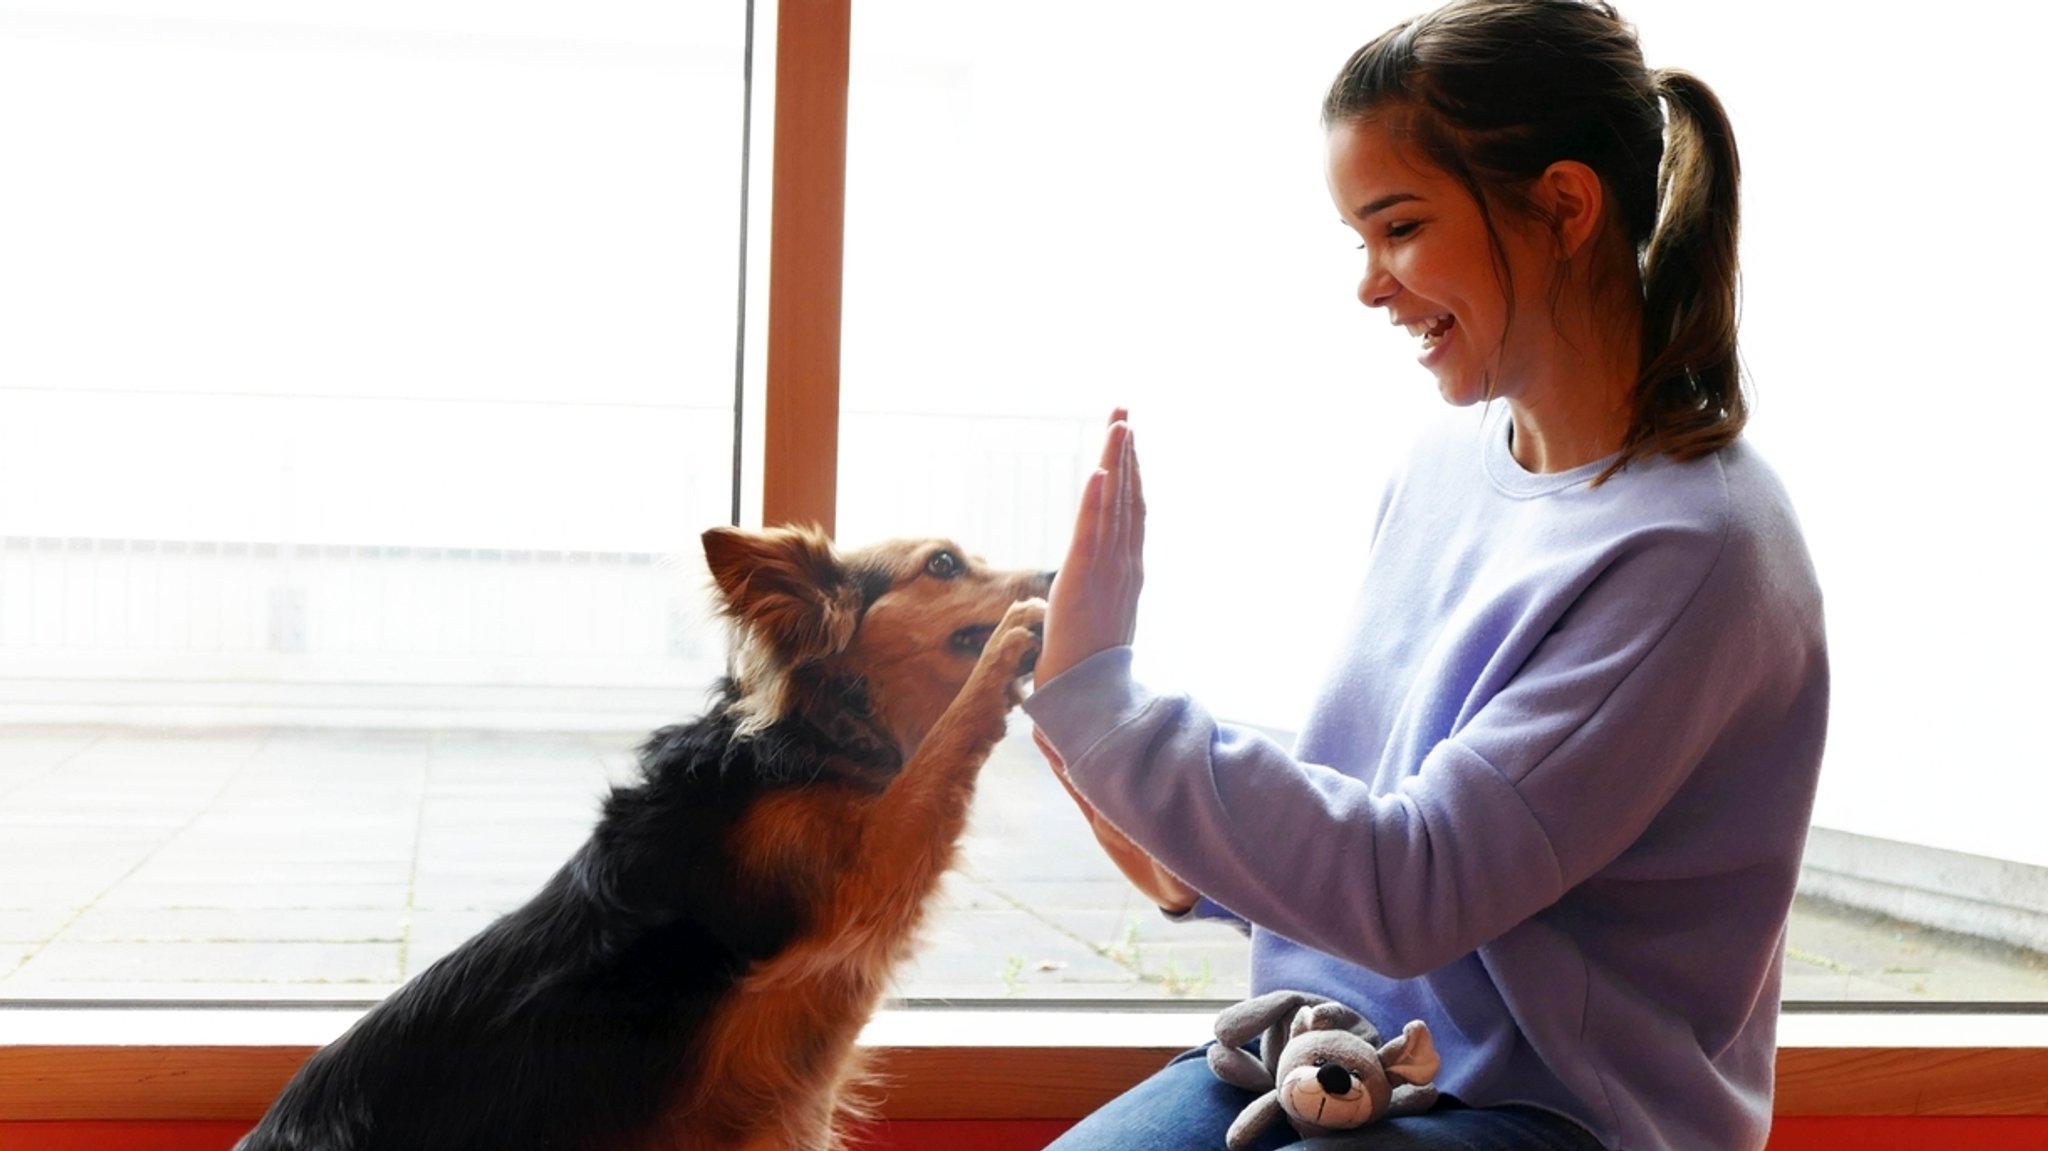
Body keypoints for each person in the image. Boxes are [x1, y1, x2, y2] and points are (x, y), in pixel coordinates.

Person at [1023, 2, 1829, 1149]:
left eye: (1396, 227)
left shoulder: (1695, 547)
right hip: (1334, 1045)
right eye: (1358, 239)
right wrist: (1178, 854)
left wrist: (1111, 711)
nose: (1369, 283)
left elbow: (1416, 885)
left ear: (1561, 206)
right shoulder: (1447, 459)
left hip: (1551, 1108)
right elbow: (1373, 798)